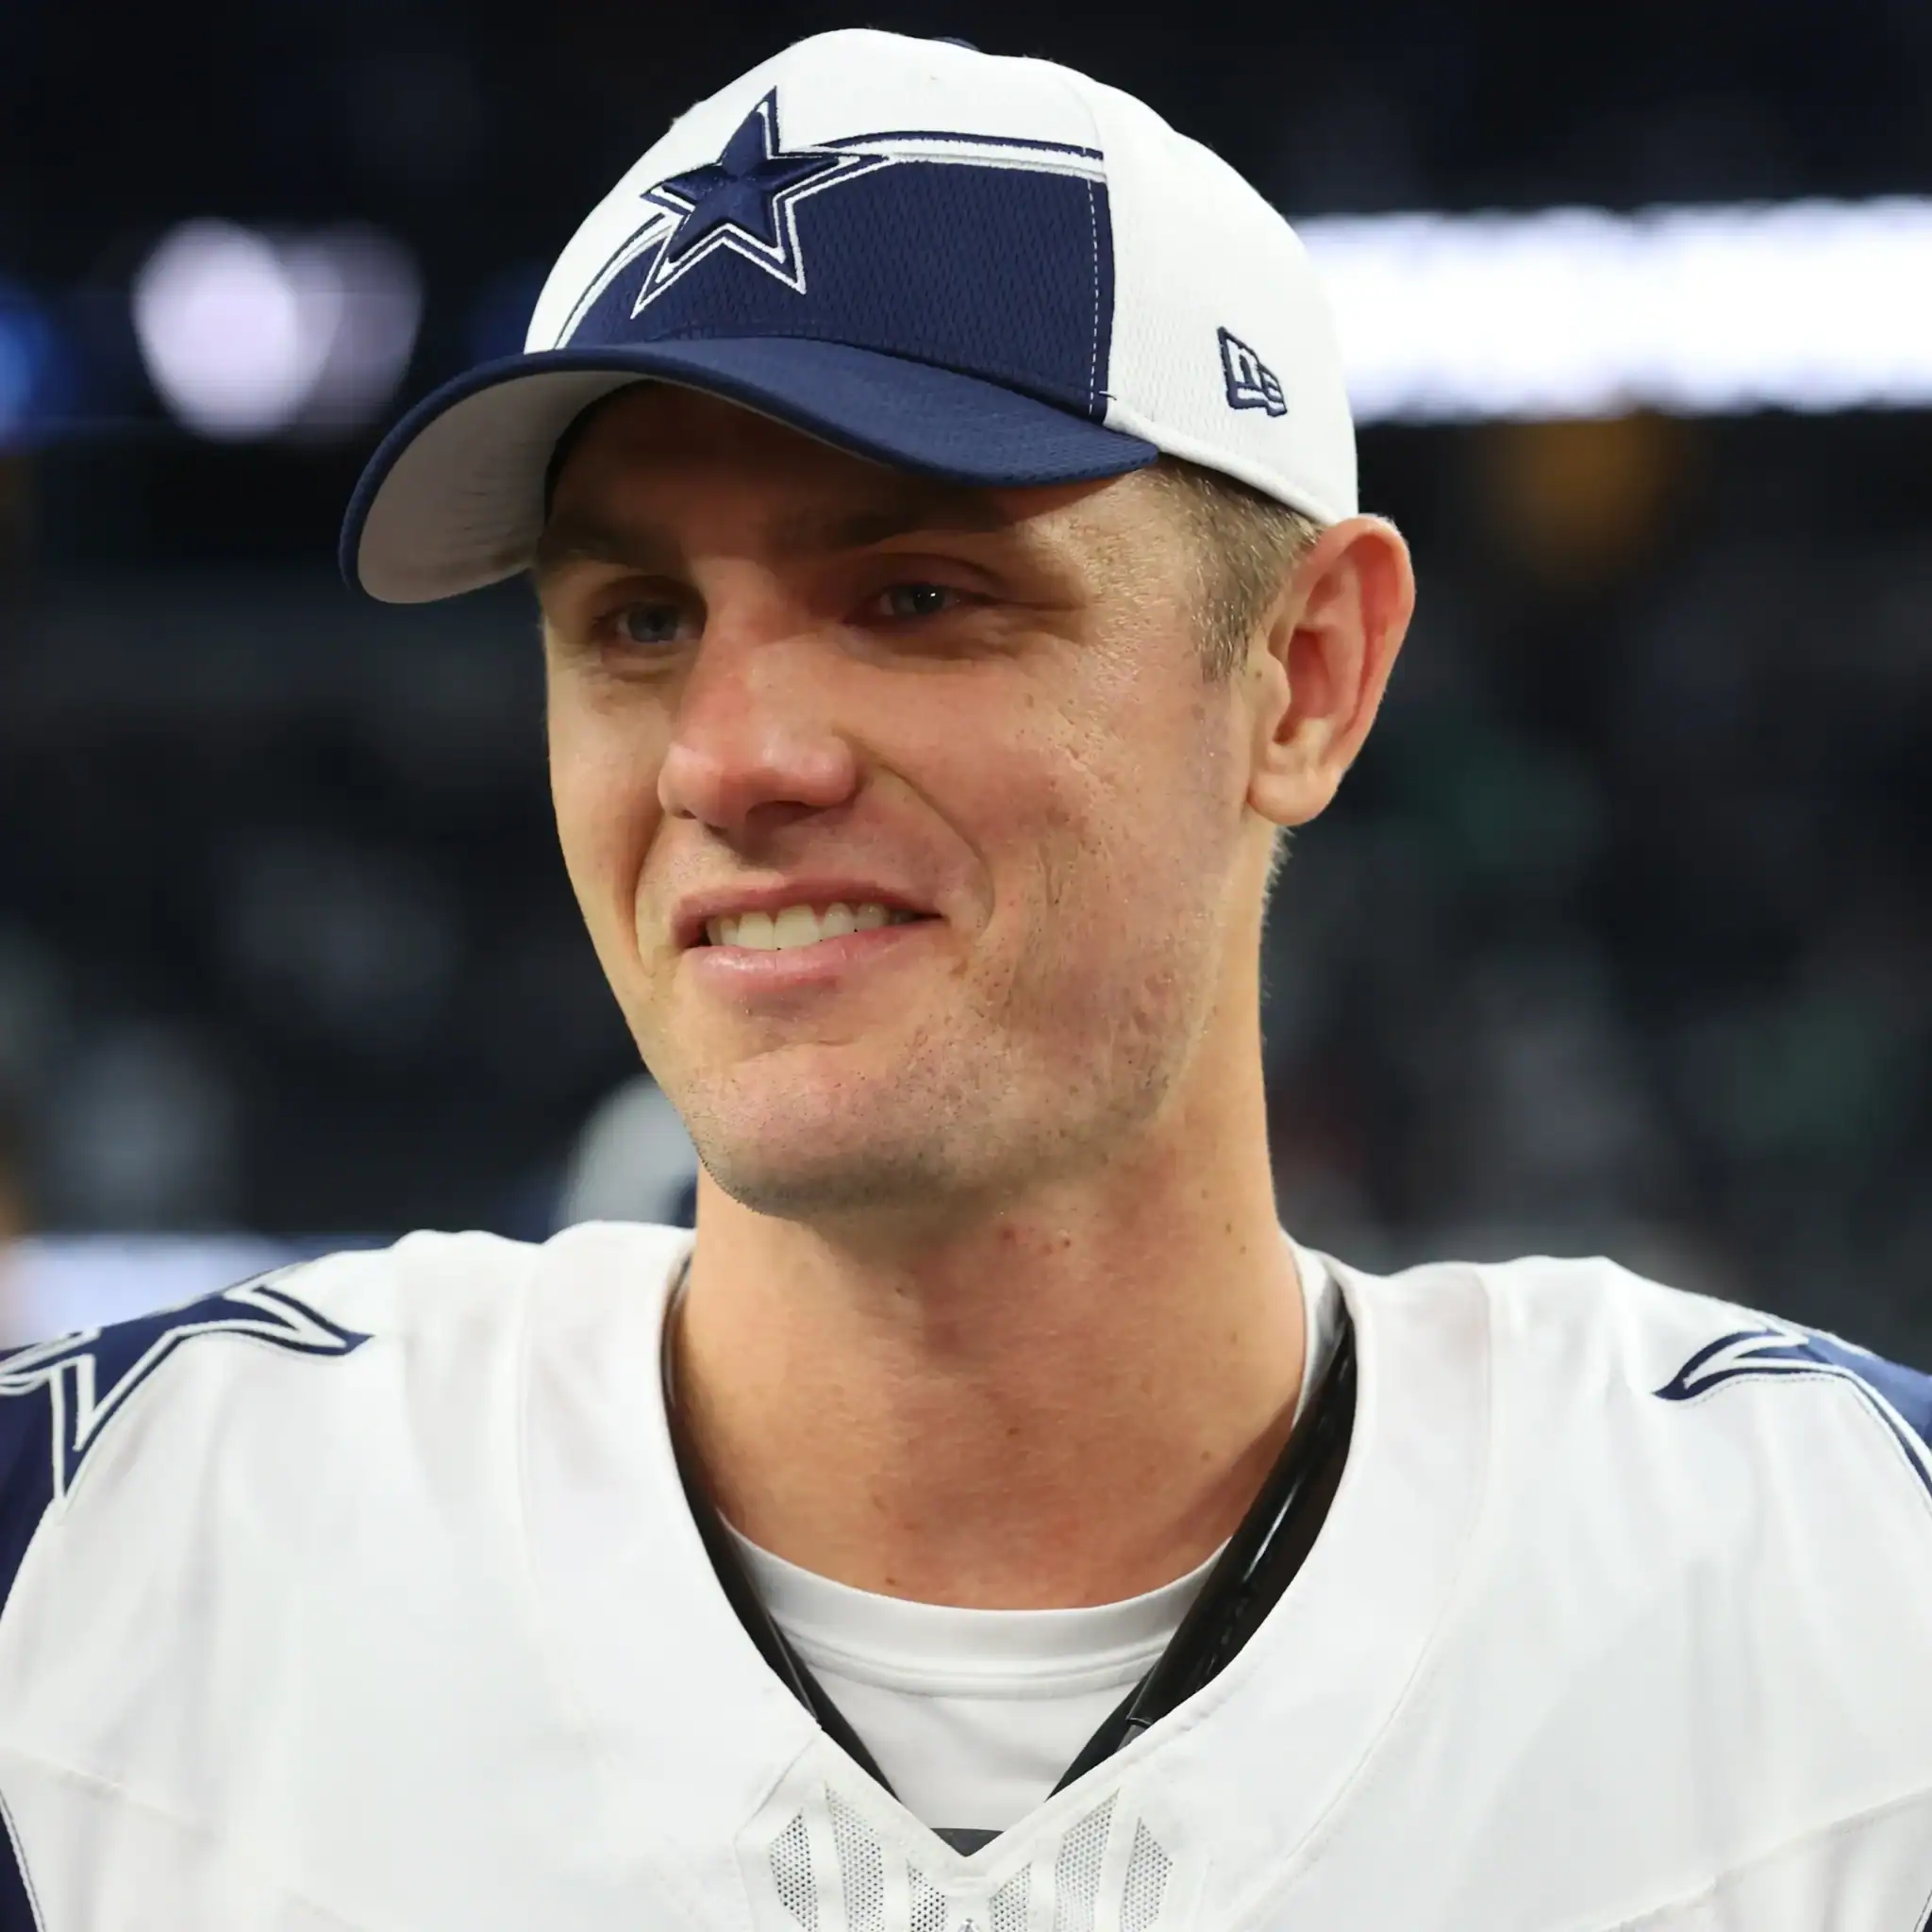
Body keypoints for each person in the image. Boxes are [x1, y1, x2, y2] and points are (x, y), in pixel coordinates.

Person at [4, 31, 1931, 1930]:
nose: (726, 755)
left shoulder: (1842, 1597)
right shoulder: (95, 1572)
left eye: (915, 596)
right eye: (638, 619)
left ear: (1307, 674)